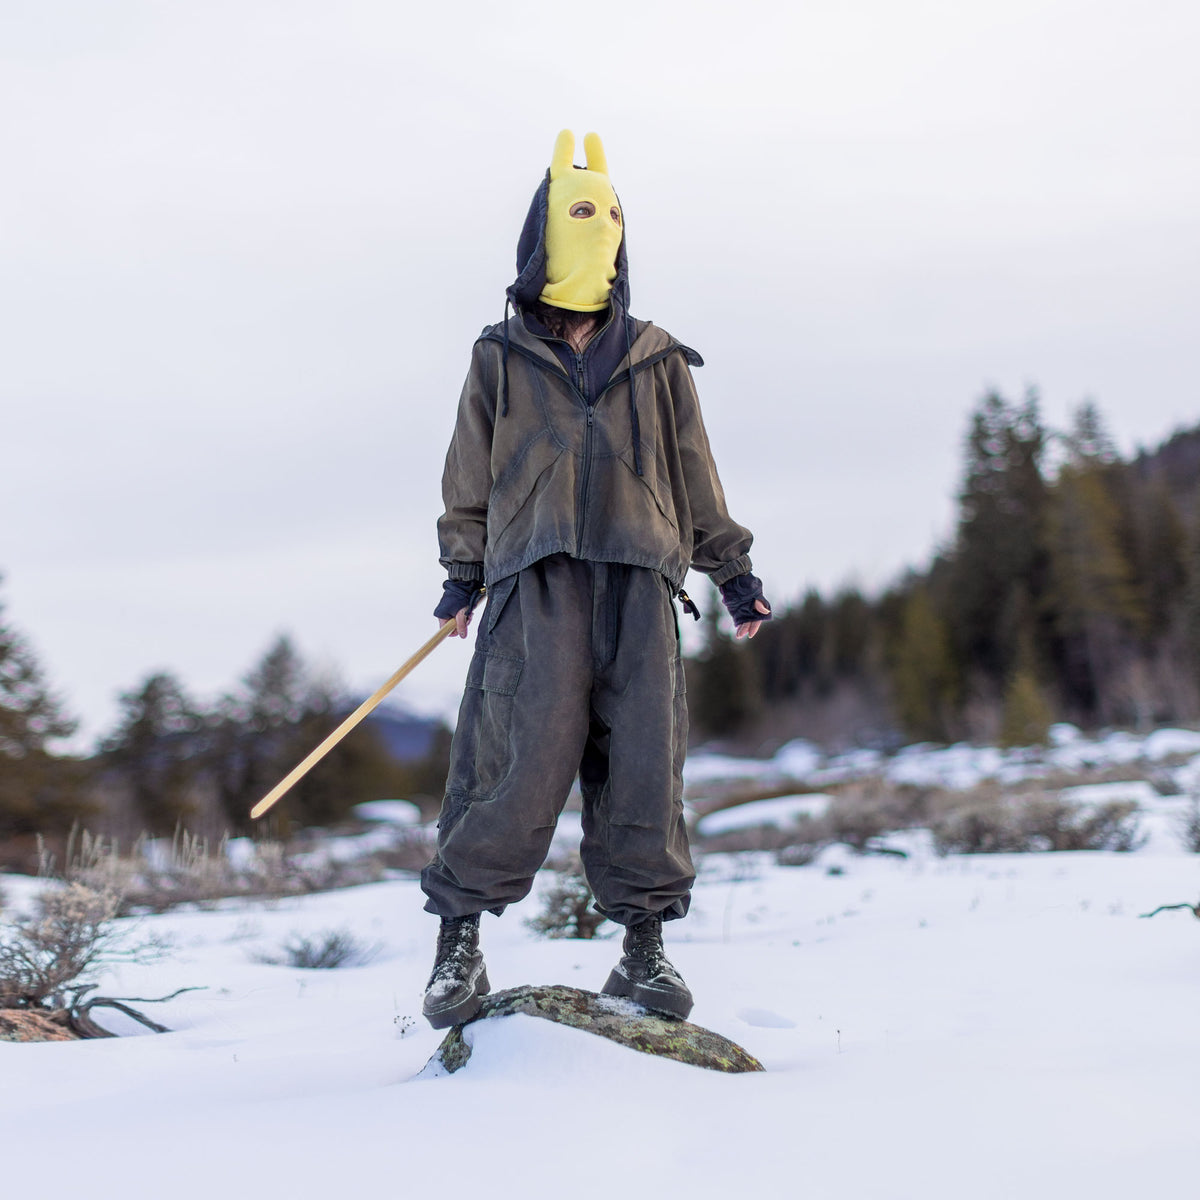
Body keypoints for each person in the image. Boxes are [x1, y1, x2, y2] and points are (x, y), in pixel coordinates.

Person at [419, 130, 770, 1029]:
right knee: (512, 761)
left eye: (610, 218)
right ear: (545, 235)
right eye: (583, 216)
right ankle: (458, 945)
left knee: (646, 768)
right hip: (533, 585)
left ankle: (644, 950)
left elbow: (695, 473)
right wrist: (463, 574)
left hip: (642, 587)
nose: (600, 233)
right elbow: (467, 475)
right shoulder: (499, 356)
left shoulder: (656, 357)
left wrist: (732, 571)